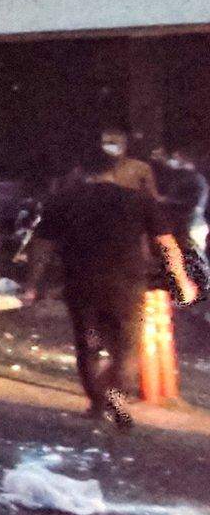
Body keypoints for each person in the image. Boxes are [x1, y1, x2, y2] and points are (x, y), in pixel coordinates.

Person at [25, 145, 199, 430]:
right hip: (126, 286)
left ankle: (97, 403)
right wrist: (181, 281)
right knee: (126, 347)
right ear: (116, 170)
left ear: (80, 170)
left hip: (81, 284)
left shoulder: (65, 199)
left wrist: (32, 284)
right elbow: (166, 243)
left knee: (89, 343)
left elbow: (42, 244)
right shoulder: (137, 200)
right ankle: (116, 399)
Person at [92, 128, 158, 198]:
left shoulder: (141, 167)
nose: (109, 147)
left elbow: (153, 197)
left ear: (124, 145)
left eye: (114, 143)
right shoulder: (95, 169)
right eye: (105, 143)